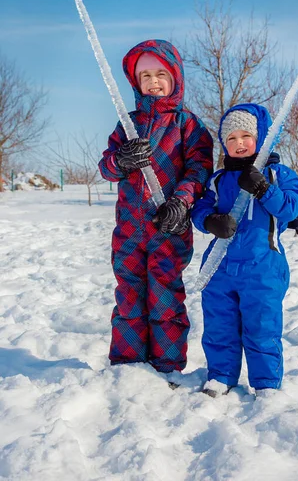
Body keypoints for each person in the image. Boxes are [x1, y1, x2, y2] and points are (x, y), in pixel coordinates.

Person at [99, 39, 213, 384]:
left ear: (175, 77)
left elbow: (199, 171)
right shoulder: (127, 124)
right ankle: (128, 366)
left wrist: (181, 202)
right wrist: (119, 161)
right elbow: (106, 166)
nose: (153, 81)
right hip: (129, 231)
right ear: (135, 82)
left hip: (168, 227)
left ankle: (167, 366)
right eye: (145, 75)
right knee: (129, 294)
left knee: (164, 297)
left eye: (161, 73)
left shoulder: (189, 125)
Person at [191, 103, 298, 398]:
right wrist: (210, 221)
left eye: (245, 136)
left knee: (262, 327)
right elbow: (200, 209)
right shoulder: (217, 179)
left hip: (262, 267)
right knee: (219, 326)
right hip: (220, 268)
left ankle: (266, 384)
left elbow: (291, 208)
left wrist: (264, 188)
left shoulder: (279, 175)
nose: (239, 143)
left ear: (261, 138)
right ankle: (221, 377)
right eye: (231, 138)